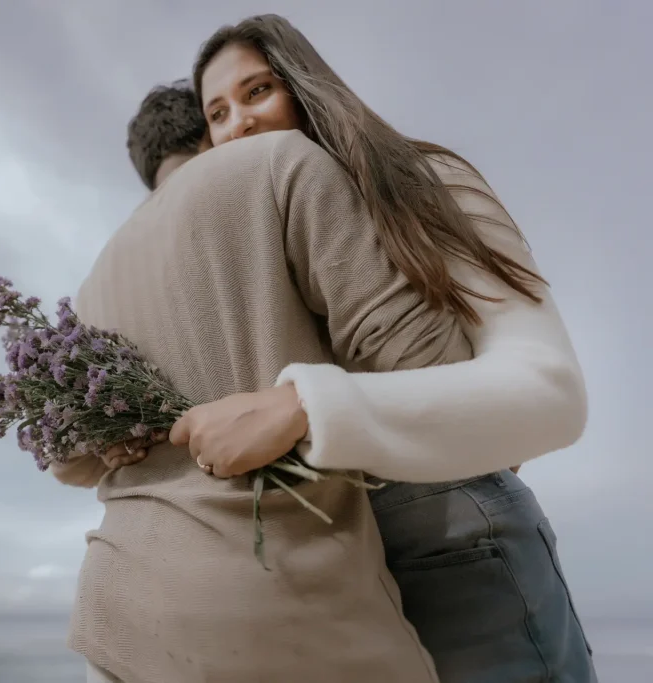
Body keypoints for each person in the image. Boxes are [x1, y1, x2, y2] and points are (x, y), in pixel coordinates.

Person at [166, 13, 593, 682]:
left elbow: (551, 392)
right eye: (217, 114)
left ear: (305, 85)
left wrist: (304, 406)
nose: (238, 123)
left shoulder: (421, 179)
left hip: (462, 549)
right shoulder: (243, 263)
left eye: (257, 91)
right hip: (334, 585)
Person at [56, 84, 472, 680]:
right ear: (212, 126)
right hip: (278, 609)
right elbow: (433, 363)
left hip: (116, 615)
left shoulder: (94, 282)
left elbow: (67, 462)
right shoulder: (277, 162)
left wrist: (116, 443)